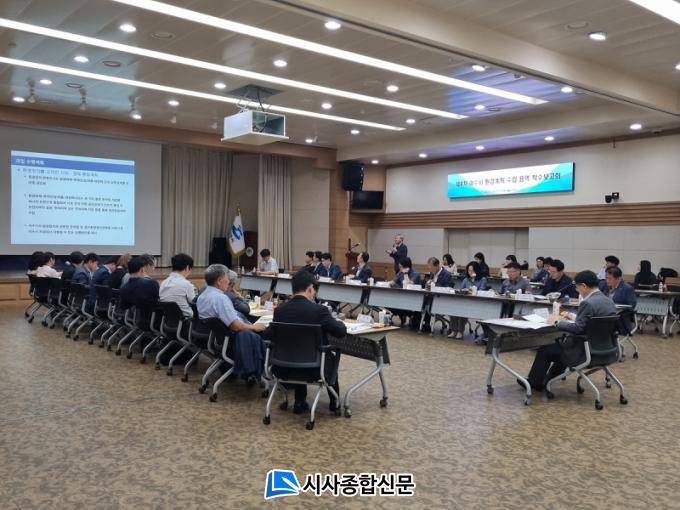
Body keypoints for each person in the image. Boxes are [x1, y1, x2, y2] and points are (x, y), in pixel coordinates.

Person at [268, 270, 346, 413]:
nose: (314, 293)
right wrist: (338, 321)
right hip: (314, 370)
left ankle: (299, 402)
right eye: (314, 290)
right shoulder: (319, 310)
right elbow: (340, 332)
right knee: (329, 357)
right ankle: (334, 403)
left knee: (298, 350)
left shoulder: (279, 311)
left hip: (283, 368)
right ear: (310, 288)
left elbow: (269, 335)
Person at [526, 270, 617, 390]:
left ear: (584, 286)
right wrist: (573, 316)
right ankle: (548, 381)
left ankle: (534, 383)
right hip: (607, 350)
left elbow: (578, 329)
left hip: (586, 352)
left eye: (577, 287)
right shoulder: (609, 301)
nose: (577, 291)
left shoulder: (587, 303)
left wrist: (557, 322)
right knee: (561, 347)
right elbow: (592, 322)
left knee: (546, 349)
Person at [196, 264, 266, 381]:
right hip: (232, 340)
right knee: (268, 333)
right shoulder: (221, 298)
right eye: (227, 278)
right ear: (219, 281)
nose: (229, 281)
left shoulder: (202, 296)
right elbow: (236, 326)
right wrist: (254, 327)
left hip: (218, 340)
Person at [448, 261, 488, 339]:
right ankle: (454, 330)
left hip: (477, 303)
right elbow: (460, 290)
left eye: (472, 271)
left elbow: (482, 291)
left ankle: (460, 331)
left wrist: (471, 290)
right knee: (454, 308)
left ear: (477, 271)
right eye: (469, 270)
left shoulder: (483, 279)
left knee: (463, 309)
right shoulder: (466, 280)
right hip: (465, 301)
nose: (470, 272)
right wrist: (463, 290)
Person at [418, 257, 454, 332]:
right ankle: (421, 320)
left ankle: (426, 321)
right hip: (431, 297)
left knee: (427, 301)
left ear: (437, 265)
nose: (430, 270)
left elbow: (448, 289)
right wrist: (428, 284)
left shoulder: (447, 275)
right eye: (429, 268)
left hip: (441, 299)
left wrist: (433, 285)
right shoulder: (432, 273)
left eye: (431, 268)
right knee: (420, 298)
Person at [159, 253, 196, 319]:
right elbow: (194, 303)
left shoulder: (164, 283)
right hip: (186, 320)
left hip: (168, 320)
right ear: (187, 267)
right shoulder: (186, 284)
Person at [604, 266, 637, 335]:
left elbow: (631, 306)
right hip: (606, 317)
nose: (607, 280)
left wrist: (619, 309)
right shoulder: (606, 287)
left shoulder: (627, 288)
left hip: (620, 320)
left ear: (618, 279)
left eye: (609, 278)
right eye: (606, 278)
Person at [391, 257, 422, 328]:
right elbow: (393, 281)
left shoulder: (415, 273)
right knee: (389, 302)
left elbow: (409, 285)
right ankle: (402, 314)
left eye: (400, 267)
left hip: (414, 298)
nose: (399, 268)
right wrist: (390, 283)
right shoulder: (400, 272)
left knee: (401, 303)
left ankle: (411, 315)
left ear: (406, 267)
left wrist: (405, 274)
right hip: (402, 297)